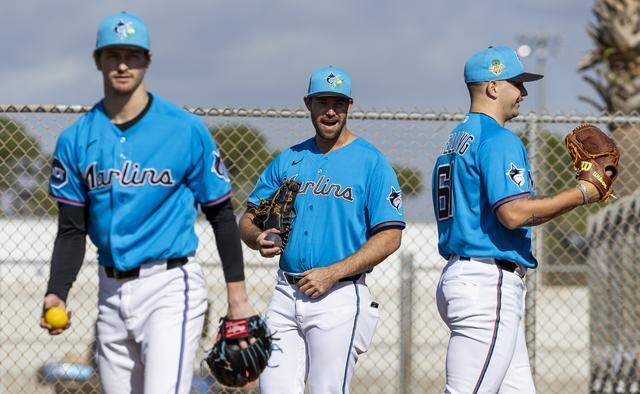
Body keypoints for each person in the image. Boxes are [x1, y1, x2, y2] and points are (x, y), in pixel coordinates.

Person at [39, 12, 256, 393]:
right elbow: (71, 230)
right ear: (98, 60)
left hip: (170, 285)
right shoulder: (76, 139)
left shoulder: (183, 129)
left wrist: (237, 299)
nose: (123, 64)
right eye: (113, 55)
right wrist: (57, 291)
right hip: (110, 289)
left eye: (133, 55)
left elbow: (221, 215)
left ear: (148, 60)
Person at [432, 45, 605, 393]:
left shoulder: (456, 139)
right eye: (516, 83)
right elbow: (513, 214)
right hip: (486, 282)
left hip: (468, 274)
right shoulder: (497, 139)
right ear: (493, 87)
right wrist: (583, 192)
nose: (524, 92)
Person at [239, 66, 405, 393]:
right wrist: (257, 237)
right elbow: (247, 218)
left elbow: (391, 235)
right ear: (308, 104)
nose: (331, 111)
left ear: (349, 106)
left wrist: (333, 272)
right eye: (322, 102)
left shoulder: (371, 161)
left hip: (340, 295)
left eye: (338, 103)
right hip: (285, 294)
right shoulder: (289, 159)